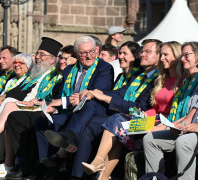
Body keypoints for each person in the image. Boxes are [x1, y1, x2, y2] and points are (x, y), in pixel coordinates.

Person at [45, 39, 160, 180]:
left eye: (147, 51)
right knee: (89, 122)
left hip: (144, 121)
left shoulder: (157, 79)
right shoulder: (139, 76)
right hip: (122, 116)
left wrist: (103, 97)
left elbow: (139, 109)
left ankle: (84, 158)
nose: (142, 54)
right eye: (142, 51)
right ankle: (76, 174)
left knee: (97, 111)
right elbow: (119, 93)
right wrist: (93, 93)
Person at [6, 35, 114, 180]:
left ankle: (67, 143)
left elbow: (95, 93)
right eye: (83, 53)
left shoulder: (104, 68)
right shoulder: (69, 69)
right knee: (42, 121)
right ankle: (47, 167)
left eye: (91, 52)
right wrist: (53, 107)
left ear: (97, 50)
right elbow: (60, 94)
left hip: (93, 110)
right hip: (70, 109)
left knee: (87, 104)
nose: (88, 56)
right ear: (76, 54)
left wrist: (63, 102)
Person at [0, 37, 63, 178]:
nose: (37, 58)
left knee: (13, 109)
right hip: (34, 107)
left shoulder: (58, 76)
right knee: (12, 113)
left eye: (41, 54)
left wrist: (35, 103)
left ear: (52, 59)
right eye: (37, 53)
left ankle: (16, 163)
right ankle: (16, 162)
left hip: (47, 109)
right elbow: (32, 92)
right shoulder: (41, 73)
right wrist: (28, 102)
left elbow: (54, 97)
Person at [143, 41, 198, 180]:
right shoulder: (188, 82)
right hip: (185, 126)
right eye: (182, 55)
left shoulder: (186, 80)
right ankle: (154, 177)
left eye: (187, 55)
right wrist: (177, 124)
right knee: (149, 139)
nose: (183, 58)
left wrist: (182, 124)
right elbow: (188, 114)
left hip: (193, 130)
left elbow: (191, 114)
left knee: (183, 142)